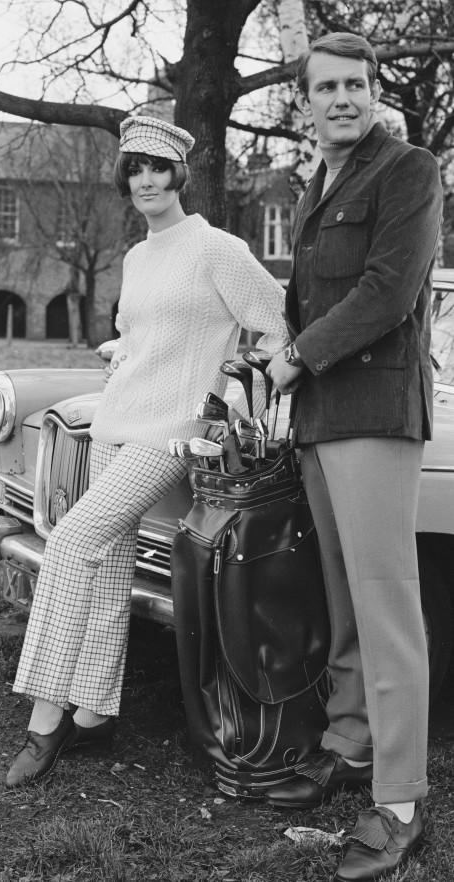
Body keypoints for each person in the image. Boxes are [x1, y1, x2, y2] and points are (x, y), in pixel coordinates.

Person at [5, 115, 288, 788]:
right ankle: (96, 717)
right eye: (134, 169)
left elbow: (275, 328)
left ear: (181, 175)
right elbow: (136, 337)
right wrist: (123, 355)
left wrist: (223, 399)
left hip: (168, 434)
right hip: (115, 422)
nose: (146, 181)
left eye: (158, 168)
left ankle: (46, 721)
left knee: (71, 543)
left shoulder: (217, 248)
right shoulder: (135, 257)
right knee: (104, 566)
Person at [265, 33, 443, 882]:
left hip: (373, 406)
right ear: (305, 101)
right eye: (326, 86)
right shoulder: (319, 181)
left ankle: (403, 799)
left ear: (372, 92)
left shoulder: (406, 169)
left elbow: (389, 290)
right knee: (342, 597)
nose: (341, 97)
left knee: (384, 600)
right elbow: (306, 292)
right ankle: (349, 740)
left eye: (355, 84)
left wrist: (297, 355)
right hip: (319, 415)